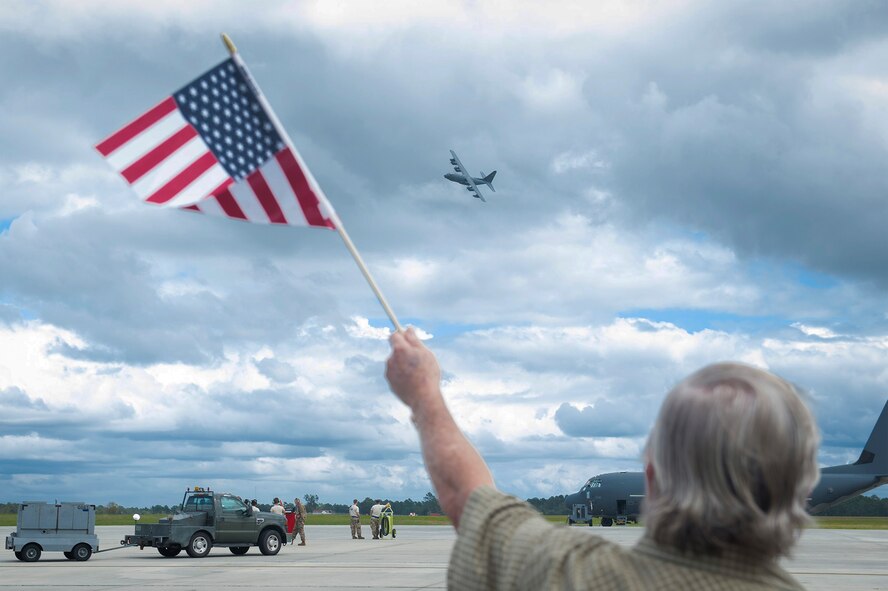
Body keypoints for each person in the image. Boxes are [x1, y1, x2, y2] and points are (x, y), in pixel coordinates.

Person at [385, 328, 820, 590]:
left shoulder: (572, 575)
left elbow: (470, 499)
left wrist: (424, 394)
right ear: (801, 484)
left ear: (651, 477)